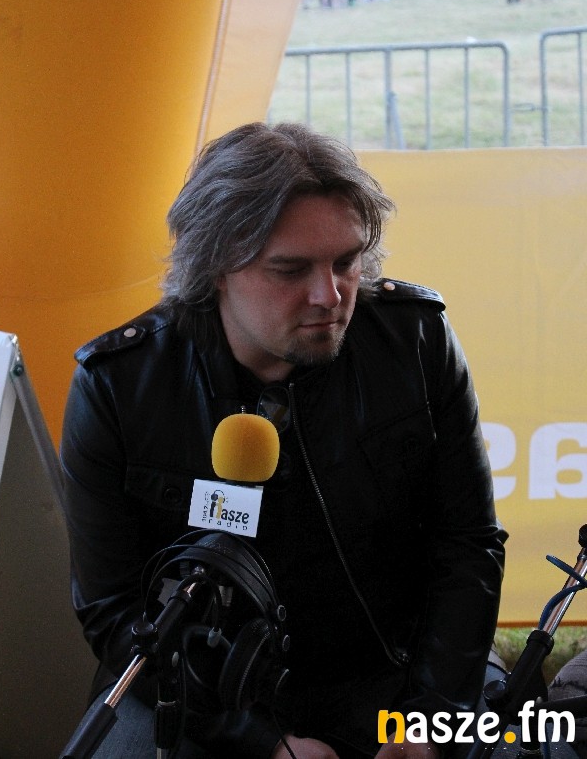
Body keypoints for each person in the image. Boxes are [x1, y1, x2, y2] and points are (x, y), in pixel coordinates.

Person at [61, 122, 506, 759]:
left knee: (523, 741)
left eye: (346, 261)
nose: (330, 296)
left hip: (403, 675)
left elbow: (468, 543)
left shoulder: (415, 340)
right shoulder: (118, 386)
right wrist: (260, 743)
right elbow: (113, 610)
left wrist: (430, 723)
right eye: (290, 269)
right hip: (205, 700)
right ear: (214, 266)